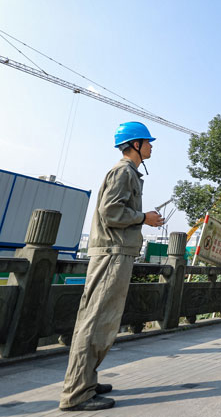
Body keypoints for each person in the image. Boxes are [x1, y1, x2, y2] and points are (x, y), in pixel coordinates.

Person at [59, 121, 164, 411]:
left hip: (116, 253)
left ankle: (85, 381)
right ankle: (77, 393)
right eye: (147, 142)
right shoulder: (123, 172)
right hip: (112, 254)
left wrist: (142, 218)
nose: (151, 146)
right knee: (96, 322)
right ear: (135, 145)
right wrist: (144, 218)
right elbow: (111, 212)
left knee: (101, 321)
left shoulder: (128, 172)